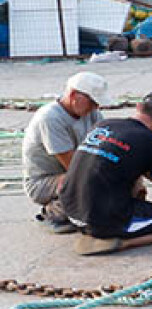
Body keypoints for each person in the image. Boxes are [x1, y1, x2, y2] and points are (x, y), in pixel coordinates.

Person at [60, 90, 152, 256]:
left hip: (71, 211)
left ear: (139, 107)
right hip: (102, 220)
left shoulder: (102, 125)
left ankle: (107, 227)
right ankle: (120, 242)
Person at [21, 72, 109, 232]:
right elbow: (74, 166)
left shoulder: (93, 114)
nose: (96, 107)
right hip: (44, 182)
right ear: (74, 95)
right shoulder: (50, 118)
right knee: (94, 188)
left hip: (77, 170)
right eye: (92, 102)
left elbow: (103, 148)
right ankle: (54, 211)